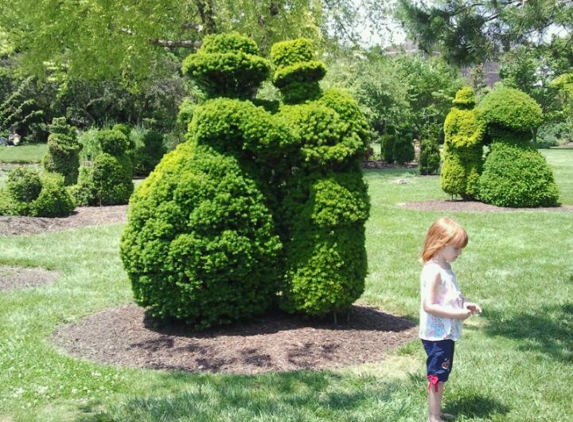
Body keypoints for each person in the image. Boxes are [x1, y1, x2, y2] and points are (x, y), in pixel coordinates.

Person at [419, 217, 482, 422]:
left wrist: (465, 305)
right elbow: (429, 305)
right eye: (456, 248)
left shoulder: (445, 267)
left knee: (442, 374)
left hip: (444, 335)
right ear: (440, 244)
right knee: (437, 376)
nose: (459, 253)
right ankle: (433, 417)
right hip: (436, 336)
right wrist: (458, 315)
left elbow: (446, 298)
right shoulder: (434, 271)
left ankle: (436, 412)